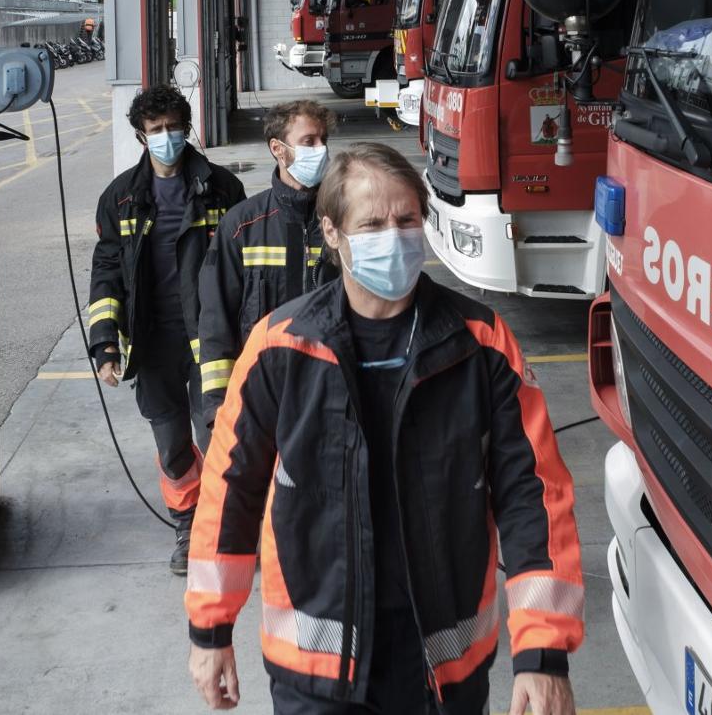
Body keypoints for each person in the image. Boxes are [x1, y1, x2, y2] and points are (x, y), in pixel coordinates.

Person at [185, 143, 583, 715]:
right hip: (316, 674)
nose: (393, 237)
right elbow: (230, 492)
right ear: (332, 232)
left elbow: (534, 495)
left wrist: (542, 653)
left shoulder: (481, 345)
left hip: (442, 667)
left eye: (407, 220)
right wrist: (210, 630)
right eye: (371, 224)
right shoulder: (280, 347)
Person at [88, 86, 246, 575]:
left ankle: (223, 526)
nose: (166, 137)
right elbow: (107, 272)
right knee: (172, 444)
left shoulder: (222, 188)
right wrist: (105, 343)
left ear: (187, 126)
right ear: (141, 136)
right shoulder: (120, 199)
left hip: (212, 340)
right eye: (155, 130)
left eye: (173, 127)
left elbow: (240, 268)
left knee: (218, 432)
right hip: (153, 342)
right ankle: (187, 525)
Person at [196, 100, 339, 430]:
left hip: (331, 392)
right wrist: (218, 404)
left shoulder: (343, 218)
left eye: (323, 141)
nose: (320, 150)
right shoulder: (242, 226)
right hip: (262, 396)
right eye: (309, 142)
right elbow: (216, 319)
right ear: (278, 148)